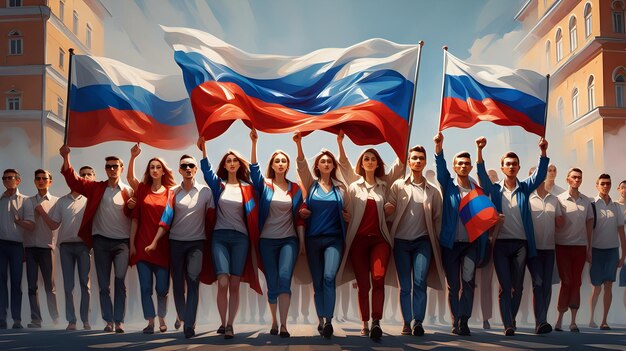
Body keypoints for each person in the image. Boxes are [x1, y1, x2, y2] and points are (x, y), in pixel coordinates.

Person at [476, 136, 550, 336]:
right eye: (507, 164)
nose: (511, 167)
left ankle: (511, 318)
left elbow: (540, 174)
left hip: (521, 245)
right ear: (502, 168)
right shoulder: (495, 189)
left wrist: (543, 152)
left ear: (518, 168)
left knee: (517, 286)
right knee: (505, 285)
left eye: (514, 164)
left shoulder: (525, 188)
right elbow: (482, 176)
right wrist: (480, 150)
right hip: (500, 244)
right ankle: (508, 323)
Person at [335, 131, 403, 339]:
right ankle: (364, 322)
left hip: (380, 241)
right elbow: (344, 166)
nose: (370, 161)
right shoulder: (354, 186)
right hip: (358, 242)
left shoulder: (385, 185)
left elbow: (400, 164)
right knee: (363, 284)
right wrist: (340, 143)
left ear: (378, 163)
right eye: (366, 158)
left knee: (379, 278)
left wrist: (401, 137)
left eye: (374, 159)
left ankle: (376, 321)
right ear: (361, 163)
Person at [60, 145, 133, 333]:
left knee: (119, 280)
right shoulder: (97, 188)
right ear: (105, 169)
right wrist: (66, 157)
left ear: (121, 168)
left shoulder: (128, 191)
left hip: (121, 243)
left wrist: (133, 206)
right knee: (103, 285)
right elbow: (75, 181)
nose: (111, 169)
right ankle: (109, 321)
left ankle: (119, 320)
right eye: (108, 166)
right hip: (100, 242)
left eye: (115, 166)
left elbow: (139, 213)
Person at [198, 137, 261, 339]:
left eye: (234, 161)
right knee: (222, 281)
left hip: (241, 238)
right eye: (228, 161)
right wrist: (204, 149)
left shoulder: (248, 187)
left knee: (234, 284)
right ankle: (223, 322)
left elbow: (257, 174)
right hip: (220, 237)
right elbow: (207, 173)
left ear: (238, 165)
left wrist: (253, 143)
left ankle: (230, 325)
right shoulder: (220, 186)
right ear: (224, 165)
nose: (232, 163)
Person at [249, 128, 305, 338]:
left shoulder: (295, 188)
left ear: (287, 165)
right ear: (272, 165)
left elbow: (299, 217)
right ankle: (273, 321)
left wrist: (302, 243)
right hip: (266, 241)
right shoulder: (265, 185)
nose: (281, 163)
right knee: (272, 282)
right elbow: (254, 171)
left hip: (288, 241)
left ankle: (283, 325)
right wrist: (254, 143)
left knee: (284, 279)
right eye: (277, 161)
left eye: (284, 161)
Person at [385, 145, 445, 337]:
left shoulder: (433, 191)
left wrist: (438, 243)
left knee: (420, 282)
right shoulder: (398, 185)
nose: (418, 161)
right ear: (409, 162)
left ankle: (418, 321)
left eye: (421, 158)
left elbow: (438, 219)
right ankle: (406, 322)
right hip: (401, 242)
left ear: (425, 162)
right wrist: (388, 208)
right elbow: (389, 209)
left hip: (423, 242)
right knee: (405, 285)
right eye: (414, 158)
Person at [293, 131, 348, 338]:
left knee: (328, 277)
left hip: (334, 239)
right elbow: (300, 165)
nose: (326, 164)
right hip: (313, 240)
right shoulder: (311, 185)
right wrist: (299, 144)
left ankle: (329, 320)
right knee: (317, 282)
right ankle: (322, 319)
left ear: (333, 166)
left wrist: (348, 216)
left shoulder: (341, 188)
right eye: (322, 161)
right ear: (317, 166)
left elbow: (348, 211)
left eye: (329, 162)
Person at [433, 132, 488, 336]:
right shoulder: (448, 185)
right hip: (450, 244)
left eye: (467, 163)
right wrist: (439, 148)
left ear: (471, 167)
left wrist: (480, 150)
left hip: (471, 245)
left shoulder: (477, 189)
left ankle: (464, 320)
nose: (464, 166)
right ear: (455, 167)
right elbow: (440, 169)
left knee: (468, 282)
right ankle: (455, 320)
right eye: (460, 163)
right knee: (454, 285)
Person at [158, 154, 214, 338]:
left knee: (193, 279)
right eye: (185, 166)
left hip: (196, 243)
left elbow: (211, 218)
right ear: (180, 170)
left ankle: (189, 324)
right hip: (175, 242)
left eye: (191, 165)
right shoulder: (173, 192)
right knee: (177, 284)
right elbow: (166, 216)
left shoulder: (206, 192)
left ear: (196, 169)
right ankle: (182, 314)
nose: (188, 168)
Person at [37, 166, 95, 330]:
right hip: (66, 247)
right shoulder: (62, 201)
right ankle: (71, 321)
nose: (81, 179)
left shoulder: (91, 199)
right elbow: (54, 224)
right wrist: (41, 212)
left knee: (85, 285)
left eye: (86, 176)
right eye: (79, 176)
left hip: (84, 246)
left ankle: (85, 320)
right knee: (68, 286)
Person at [127, 144, 176, 334]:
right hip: (141, 246)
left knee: (162, 288)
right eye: (151, 167)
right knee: (146, 287)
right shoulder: (142, 190)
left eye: (158, 167)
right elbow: (135, 220)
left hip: (162, 247)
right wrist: (133, 157)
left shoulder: (171, 192)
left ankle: (163, 317)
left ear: (163, 171)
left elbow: (169, 220)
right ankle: (150, 322)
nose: (154, 170)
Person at [553, 168, 593, 333]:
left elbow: (589, 226)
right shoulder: (559, 200)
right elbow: (555, 223)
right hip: (562, 246)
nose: (577, 180)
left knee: (577, 281)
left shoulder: (586, 201)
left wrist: (589, 248)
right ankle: (559, 319)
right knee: (567, 281)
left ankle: (573, 321)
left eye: (579, 178)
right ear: (567, 179)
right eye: (574, 177)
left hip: (580, 247)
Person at [527, 167, 563, 335]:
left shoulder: (555, 199)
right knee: (538, 283)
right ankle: (539, 321)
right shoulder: (527, 198)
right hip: (532, 248)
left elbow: (560, 223)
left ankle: (543, 319)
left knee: (547, 285)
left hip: (549, 248)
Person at [22, 169, 60, 328]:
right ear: (34, 181)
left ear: (50, 181)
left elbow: (54, 225)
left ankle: (56, 319)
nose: (41, 180)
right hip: (30, 248)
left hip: (46, 248)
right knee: (32, 286)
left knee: (50, 287)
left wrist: (41, 212)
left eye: (44, 178)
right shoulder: (27, 201)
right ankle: (36, 319)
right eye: (37, 178)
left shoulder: (56, 201)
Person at [588, 174, 626, 330]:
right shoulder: (592, 204)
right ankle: (591, 318)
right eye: (602, 183)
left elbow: (621, 232)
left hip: (612, 251)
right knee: (596, 287)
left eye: (608, 183)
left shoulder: (616, 206)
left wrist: (623, 255)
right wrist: (588, 250)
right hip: (596, 250)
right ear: (597, 185)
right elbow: (589, 230)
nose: (605, 186)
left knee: (608, 285)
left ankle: (604, 320)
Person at [0, 169, 28, 329]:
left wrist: (20, 222)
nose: (6, 180)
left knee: (16, 284)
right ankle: (2, 318)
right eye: (4, 178)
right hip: (1, 246)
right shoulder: (1, 200)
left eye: (9, 177)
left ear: (18, 180)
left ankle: (17, 319)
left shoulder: (25, 201)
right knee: (1, 283)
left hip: (17, 246)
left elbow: (32, 225)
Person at [616, 180, 626, 313]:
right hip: (617, 249)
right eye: (623, 187)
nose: (625, 190)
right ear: (618, 189)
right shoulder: (615, 206)